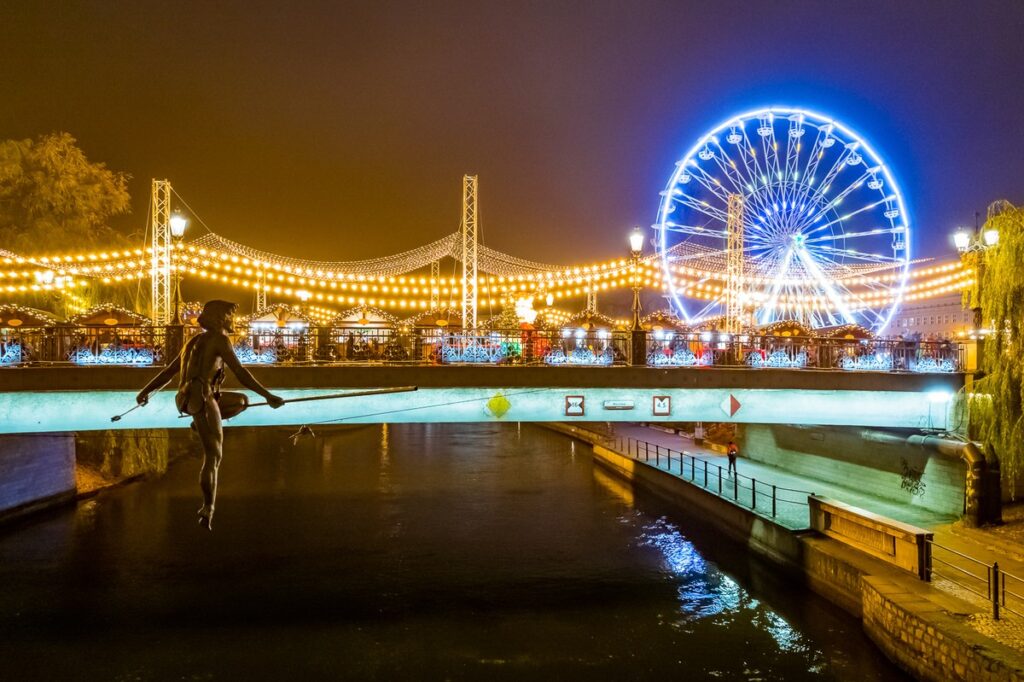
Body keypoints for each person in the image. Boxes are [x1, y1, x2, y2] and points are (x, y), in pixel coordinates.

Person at [136, 300, 284, 530]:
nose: (232, 320)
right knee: (214, 456)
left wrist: (145, 391)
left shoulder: (192, 342)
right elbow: (241, 372)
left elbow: (168, 372)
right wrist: (268, 395)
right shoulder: (220, 340)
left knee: (241, 401)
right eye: (229, 315)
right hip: (202, 398)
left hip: (187, 398)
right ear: (221, 318)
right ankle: (208, 506)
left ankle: (201, 423)